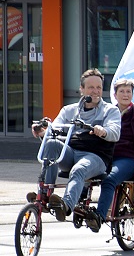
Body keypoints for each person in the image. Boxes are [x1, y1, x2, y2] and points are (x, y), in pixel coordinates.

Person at [30, 69, 122, 225]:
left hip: (96, 157)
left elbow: (115, 132)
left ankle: (65, 205)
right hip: (71, 152)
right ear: (82, 89)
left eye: (99, 87)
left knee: (79, 169)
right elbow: (55, 129)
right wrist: (43, 132)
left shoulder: (110, 110)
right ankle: (45, 193)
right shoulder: (69, 110)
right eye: (91, 87)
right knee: (51, 143)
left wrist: (103, 131)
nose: (95, 91)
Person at [92, 78, 134, 232]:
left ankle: (98, 217)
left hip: (128, 160)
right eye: (122, 91)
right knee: (84, 172)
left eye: (128, 92)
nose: (125, 95)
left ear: (133, 94)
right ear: (115, 94)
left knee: (109, 180)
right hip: (106, 157)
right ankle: (80, 209)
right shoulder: (106, 114)